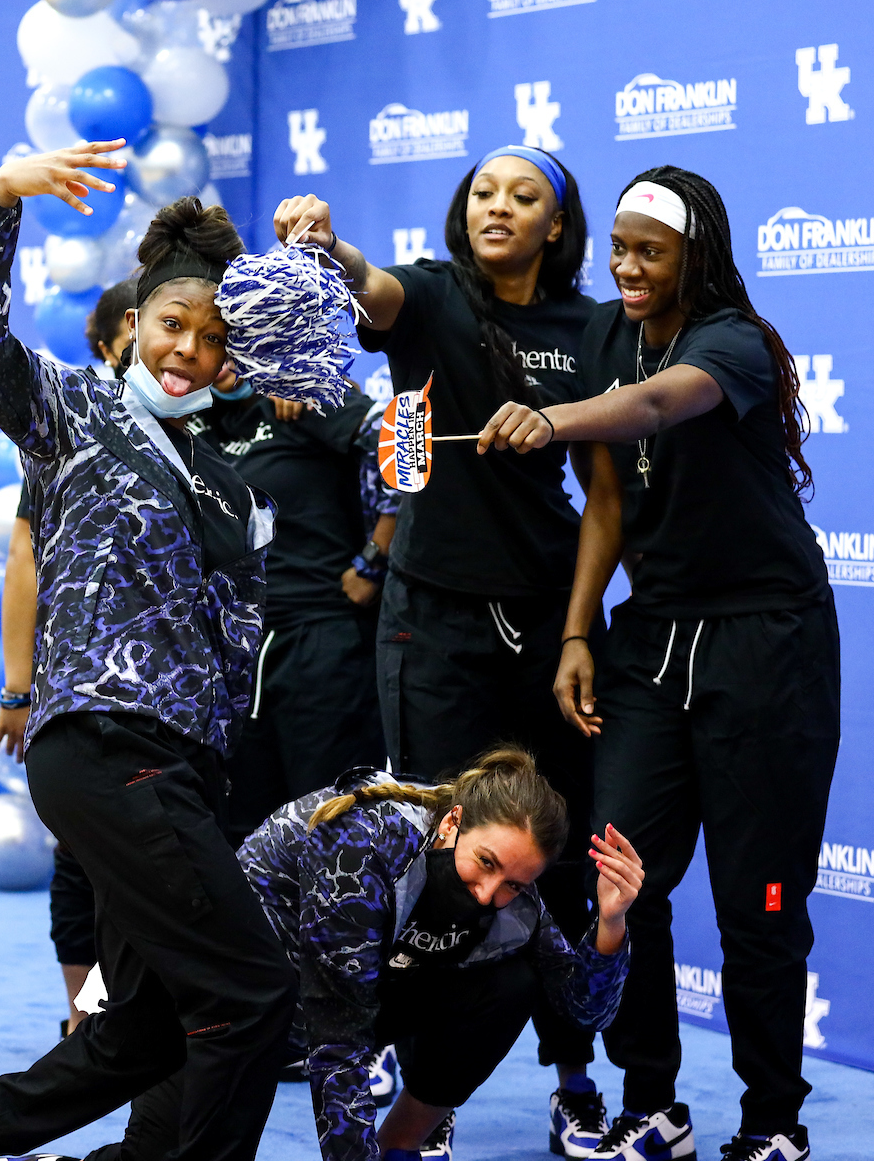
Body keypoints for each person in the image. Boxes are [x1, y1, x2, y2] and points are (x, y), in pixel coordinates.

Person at [0, 141, 296, 1161]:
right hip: (102, 745)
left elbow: (236, 637)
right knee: (255, 994)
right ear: (133, 328)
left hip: (186, 770)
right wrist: (2, 198)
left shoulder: (230, 475)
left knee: (157, 1020)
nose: (188, 350)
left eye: (211, 340)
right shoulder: (73, 411)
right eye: (172, 325)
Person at [479, 166, 839, 1161]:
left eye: (651, 252)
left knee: (759, 901)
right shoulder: (606, 332)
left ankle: (774, 1121)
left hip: (768, 640)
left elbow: (649, 409)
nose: (628, 267)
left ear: (696, 258)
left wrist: (550, 419)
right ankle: (655, 1108)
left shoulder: (736, 345)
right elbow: (606, 501)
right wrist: (578, 632)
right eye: (621, 249)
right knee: (621, 879)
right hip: (653, 639)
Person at [274, 146, 609, 1156]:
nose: (497, 207)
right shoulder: (426, 295)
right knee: (427, 854)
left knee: (555, 858)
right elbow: (369, 290)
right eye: (483, 194)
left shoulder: (592, 329)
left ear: (558, 224)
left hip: (546, 620)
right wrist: (326, 246)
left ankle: (574, 1078)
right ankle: (423, 1085)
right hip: (431, 620)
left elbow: (607, 493)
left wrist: (579, 630)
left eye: (524, 197)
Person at [80, 748, 642, 1161]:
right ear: (452, 822)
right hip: (221, 1012)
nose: (490, 896)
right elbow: (338, 1038)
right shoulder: (365, 840)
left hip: (343, 1007)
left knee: (510, 983)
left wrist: (611, 921)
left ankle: (402, 1146)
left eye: (517, 884)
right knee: (156, 1158)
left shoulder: (517, 904)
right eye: (487, 864)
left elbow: (583, 1012)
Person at [0, 278, 137, 1040]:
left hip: (177, 706)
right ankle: (88, 1024)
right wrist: (18, 691)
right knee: (82, 863)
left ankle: (130, 1018)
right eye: (137, 338)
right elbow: (26, 562)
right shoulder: (66, 430)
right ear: (109, 346)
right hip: (78, 695)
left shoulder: (207, 430)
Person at [187, 371, 394, 847]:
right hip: (234, 653)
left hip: (321, 641)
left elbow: (403, 437)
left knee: (331, 827)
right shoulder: (188, 417)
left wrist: (376, 557)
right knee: (242, 829)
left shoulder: (299, 395)